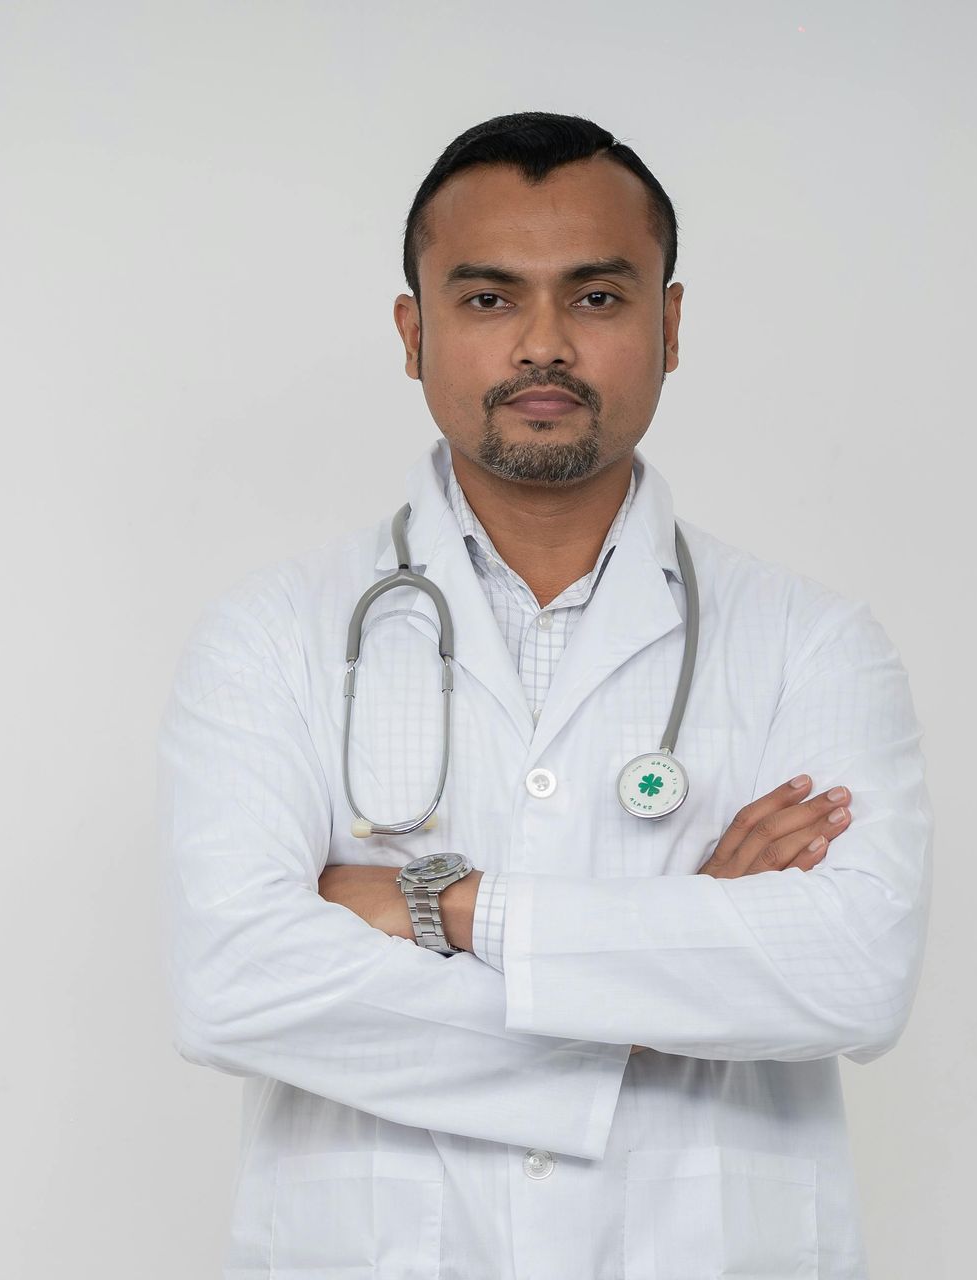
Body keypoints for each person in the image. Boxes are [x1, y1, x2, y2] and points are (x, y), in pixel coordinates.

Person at [157, 111, 931, 1279]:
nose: (543, 344)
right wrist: (678, 967)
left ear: (670, 326)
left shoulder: (815, 643)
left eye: (598, 298)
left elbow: (851, 972)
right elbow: (234, 982)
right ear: (413, 333)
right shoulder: (270, 638)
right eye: (486, 299)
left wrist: (449, 905)